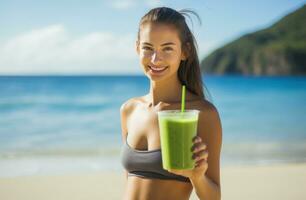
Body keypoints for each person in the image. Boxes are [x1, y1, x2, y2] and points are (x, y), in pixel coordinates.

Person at [120, 7, 222, 200]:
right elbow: (129, 182)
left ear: (185, 51)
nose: (155, 59)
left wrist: (196, 176)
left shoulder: (202, 113)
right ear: (137, 48)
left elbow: (214, 197)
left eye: (167, 48)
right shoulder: (129, 110)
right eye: (148, 48)